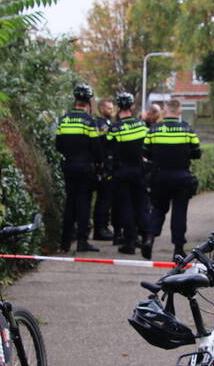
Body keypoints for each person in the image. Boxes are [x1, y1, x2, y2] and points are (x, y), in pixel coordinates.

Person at [141, 98, 201, 260]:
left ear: (165, 111)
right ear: (180, 111)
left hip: (159, 177)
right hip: (181, 176)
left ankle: (149, 239)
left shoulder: (153, 130)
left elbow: (145, 153)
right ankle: (178, 249)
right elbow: (197, 153)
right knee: (179, 212)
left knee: (158, 209)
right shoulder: (187, 130)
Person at [54, 83, 102, 253]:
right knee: (83, 205)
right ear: (88, 102)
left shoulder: (64, 119)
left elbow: (58, 145)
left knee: (70, 204)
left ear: (75, 100)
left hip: (68, 166)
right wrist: (98, 162)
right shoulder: (89, 121)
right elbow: (96, 147)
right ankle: (82, 241)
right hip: (85, 168)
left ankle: (65, 242)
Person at [107, 92, 150, 255]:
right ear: (132, 107)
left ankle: (130, 242)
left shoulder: (115, 128)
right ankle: (147, 239)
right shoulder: (141, 125)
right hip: (139, 171)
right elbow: (147, 147)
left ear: (118, 107)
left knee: (125, 207)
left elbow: (108, 148)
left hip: (122, 172)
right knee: (141, 206)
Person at [92, 99, 115, 241]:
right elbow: (99, 146)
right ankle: (99, 229)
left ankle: (104, 227)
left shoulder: (108, 123)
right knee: (103, 200)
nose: (111, 110)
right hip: (103, 167)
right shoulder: (99, 124)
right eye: (108, 108)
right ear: (101, 109)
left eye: (112, 108)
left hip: (109, 166)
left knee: (107, 200)